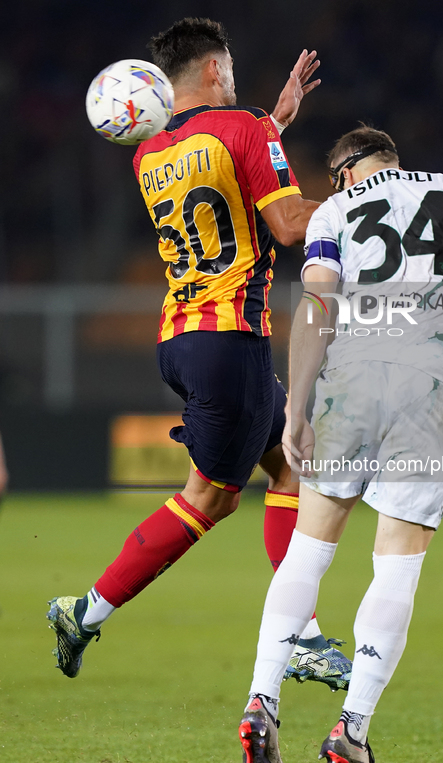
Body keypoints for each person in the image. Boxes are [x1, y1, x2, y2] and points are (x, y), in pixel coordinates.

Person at [239, 125, 443, 763]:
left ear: (342, 175)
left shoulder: (333, 212)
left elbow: (318, 303)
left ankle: (262, 699)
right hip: (429, 384)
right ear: (393, 160)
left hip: (351, 379)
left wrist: (296, 407)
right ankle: (351, 733)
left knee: (308, 554)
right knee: (396, 565)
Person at [47, 17, 351, 692]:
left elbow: (218, 167)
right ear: (215, 70)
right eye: (232, 69)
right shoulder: (244, 128)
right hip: (228, 342)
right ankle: (85, 609)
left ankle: (297, 627)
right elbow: (287, 224)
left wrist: (272, 121)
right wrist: (365, 197)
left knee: (293, 464)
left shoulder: (149, 152)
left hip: (183, 337)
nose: (235, 80)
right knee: (209, 500)